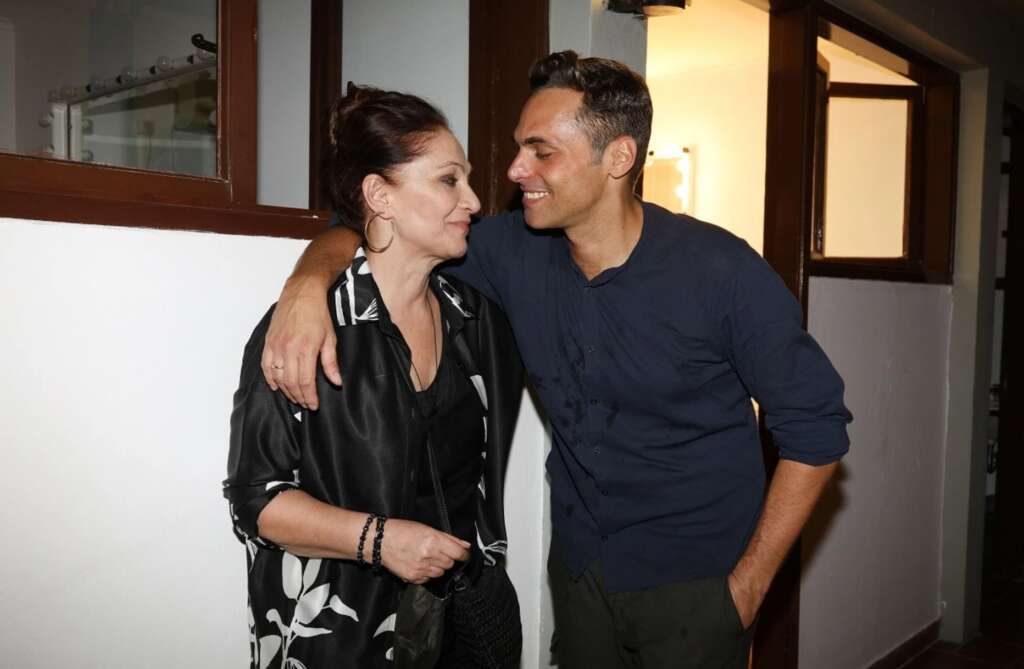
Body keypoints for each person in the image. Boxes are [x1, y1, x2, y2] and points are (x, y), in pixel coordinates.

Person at [260, 52, 852, 669]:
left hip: (699, 582)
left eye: (542, 152)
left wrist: (747, 590)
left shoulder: (721, 271)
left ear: (618, 158)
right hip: (580, 576)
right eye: (520, 147)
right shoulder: (511, 249)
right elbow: (367, 218)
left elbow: (817, 429)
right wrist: (306, 285)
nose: (515, 170)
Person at [224, 86, 524, 668]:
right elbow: (256, 499)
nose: (473, 200)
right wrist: (380, 541)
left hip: (464, 626)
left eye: (465, 179)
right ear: (379, 196)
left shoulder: (476, 320)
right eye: (448, 180)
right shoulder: (307, 328)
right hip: (341, 634)